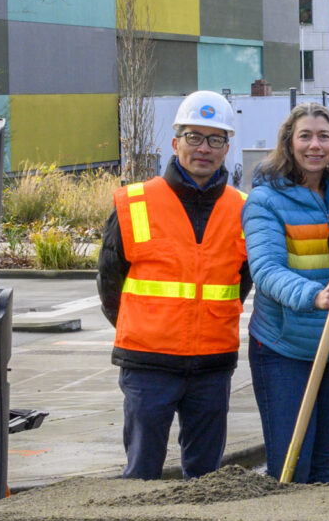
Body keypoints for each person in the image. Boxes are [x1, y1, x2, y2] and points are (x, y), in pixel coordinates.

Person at [100, 90, 252, 480]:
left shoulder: (244, 208)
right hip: (148, 366)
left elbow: (242, 282)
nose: (204, 148)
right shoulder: (135, 203)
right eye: (194, 137)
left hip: (212, 366)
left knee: (206, 479)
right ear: (175, 142)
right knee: (140, 473)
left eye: (215, 139)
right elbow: (110, 283)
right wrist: (143, 327)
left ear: (227, 147)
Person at [243, 102, 329, 484]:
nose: (315, 145)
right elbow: (265, 271)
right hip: (286, 349)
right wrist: (314, 296)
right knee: (292, 466)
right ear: (288, 143)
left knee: (326, 464)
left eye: (324, 137)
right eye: (306, 136)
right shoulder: (265, 201)